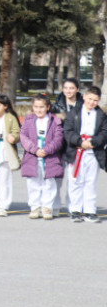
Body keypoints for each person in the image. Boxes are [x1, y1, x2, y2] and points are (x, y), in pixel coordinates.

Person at [63, 86, 107, 223]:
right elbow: (68, 130)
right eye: (90, 99)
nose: (92, 102)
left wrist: (93, 142)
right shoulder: (74, 113)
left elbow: (105, 132)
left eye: (95, 100)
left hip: (93, 151)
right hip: (77, 150)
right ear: (84, 97)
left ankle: (90, 210)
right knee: (75, 180)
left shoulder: (101, 115)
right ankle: (75, 209)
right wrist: (80, 142)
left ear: (98, 101)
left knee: (90, 181)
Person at [20, 94, 64, 221]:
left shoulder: (55, 121)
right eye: (36, 107)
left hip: (49, 158)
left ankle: (47, 207)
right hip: (32, 157)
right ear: (32, 107)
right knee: (33, 183)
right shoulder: (28, 121)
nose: (39, 110)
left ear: (48, 107)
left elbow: (58, 139)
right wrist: (35, 150)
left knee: (49, 184)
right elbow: (24, 137)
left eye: (42, 107)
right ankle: (35, 207)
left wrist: (46, 150)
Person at [51, 78, 83, 217]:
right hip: (59, 146)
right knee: (56, 178)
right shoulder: (55, 106)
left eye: (71, 88)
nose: (68, 91)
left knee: (74, 179)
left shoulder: (84, 105)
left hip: (76, 146)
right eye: (66, 88)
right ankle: (54, 207)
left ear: (77, 89)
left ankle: (73, 207)